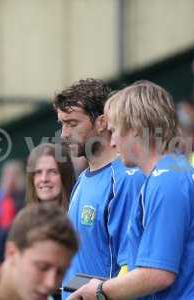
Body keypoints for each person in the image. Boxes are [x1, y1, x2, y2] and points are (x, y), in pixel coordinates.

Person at [70, 80, 194, 299]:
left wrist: (99, 291)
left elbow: (159, 273)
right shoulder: (175, 173)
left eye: (115, 130)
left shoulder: (167, 182)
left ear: (135, 130)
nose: (113, 141)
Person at [52, 78, 145, 299]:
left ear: (102, 122)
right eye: (61, 123)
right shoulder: (83, 179)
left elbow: (131, 268)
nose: (64, 133)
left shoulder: (125, 180)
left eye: (72, 123)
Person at [26, 143, 76, 210]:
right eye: (38, 172)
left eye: (52, 172)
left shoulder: (78, 215)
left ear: (65, 176)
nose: (44, 179)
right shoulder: (24, 219)